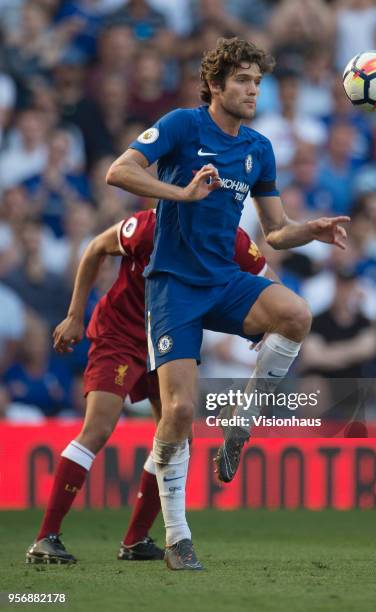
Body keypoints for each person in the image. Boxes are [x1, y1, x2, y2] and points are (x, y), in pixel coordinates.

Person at [106, 37, 349, 570]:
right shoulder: (180, 126)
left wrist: (309, 229)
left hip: (223, 279)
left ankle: (242, 419)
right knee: (182, 412)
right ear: (215, 85)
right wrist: (181, 193)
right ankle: (177, 537)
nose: (252, 90)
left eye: (257, 82)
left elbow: (276, 232)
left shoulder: (259, 147)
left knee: (296, 314)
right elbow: (119, 172)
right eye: (242, 80)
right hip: (172, 285)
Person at [25, 207, 268, 565]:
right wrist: (76, 315)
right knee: (98, 428)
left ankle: (136, 540)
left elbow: (265, 277)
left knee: (180, 436)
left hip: (171, 340)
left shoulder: (229, 237)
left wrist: (269, 318)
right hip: (121, 335)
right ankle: (45, 538)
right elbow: (95, 248)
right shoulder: (149, 225)